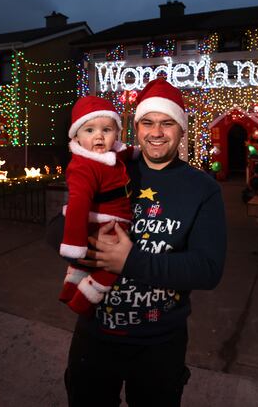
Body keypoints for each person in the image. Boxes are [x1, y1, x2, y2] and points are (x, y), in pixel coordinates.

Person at [65, 78, 227, 406]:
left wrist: (130, 261)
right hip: (96, 335)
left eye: (167, 123)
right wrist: (87, 239)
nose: (156, 132)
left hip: (159, 343)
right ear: (136, 127)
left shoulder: (203, 189)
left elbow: (208, 270)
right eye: (148, 123)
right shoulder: (110, 165)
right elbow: (56, 227)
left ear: (181, 129)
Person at [60, 96, 134, 315]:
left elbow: (121, 154)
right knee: (109, 270)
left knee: (84, 266)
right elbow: (78, 205)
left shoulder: (109, 156)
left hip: (112, 218)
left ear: (116, 133)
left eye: (107, 130)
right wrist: (74, 244)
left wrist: (135, 153)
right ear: (77, 135)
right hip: (108, 222)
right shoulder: (84, 167)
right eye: (89, 130)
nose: (99, 136)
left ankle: (69, 287)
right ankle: (82, 302)